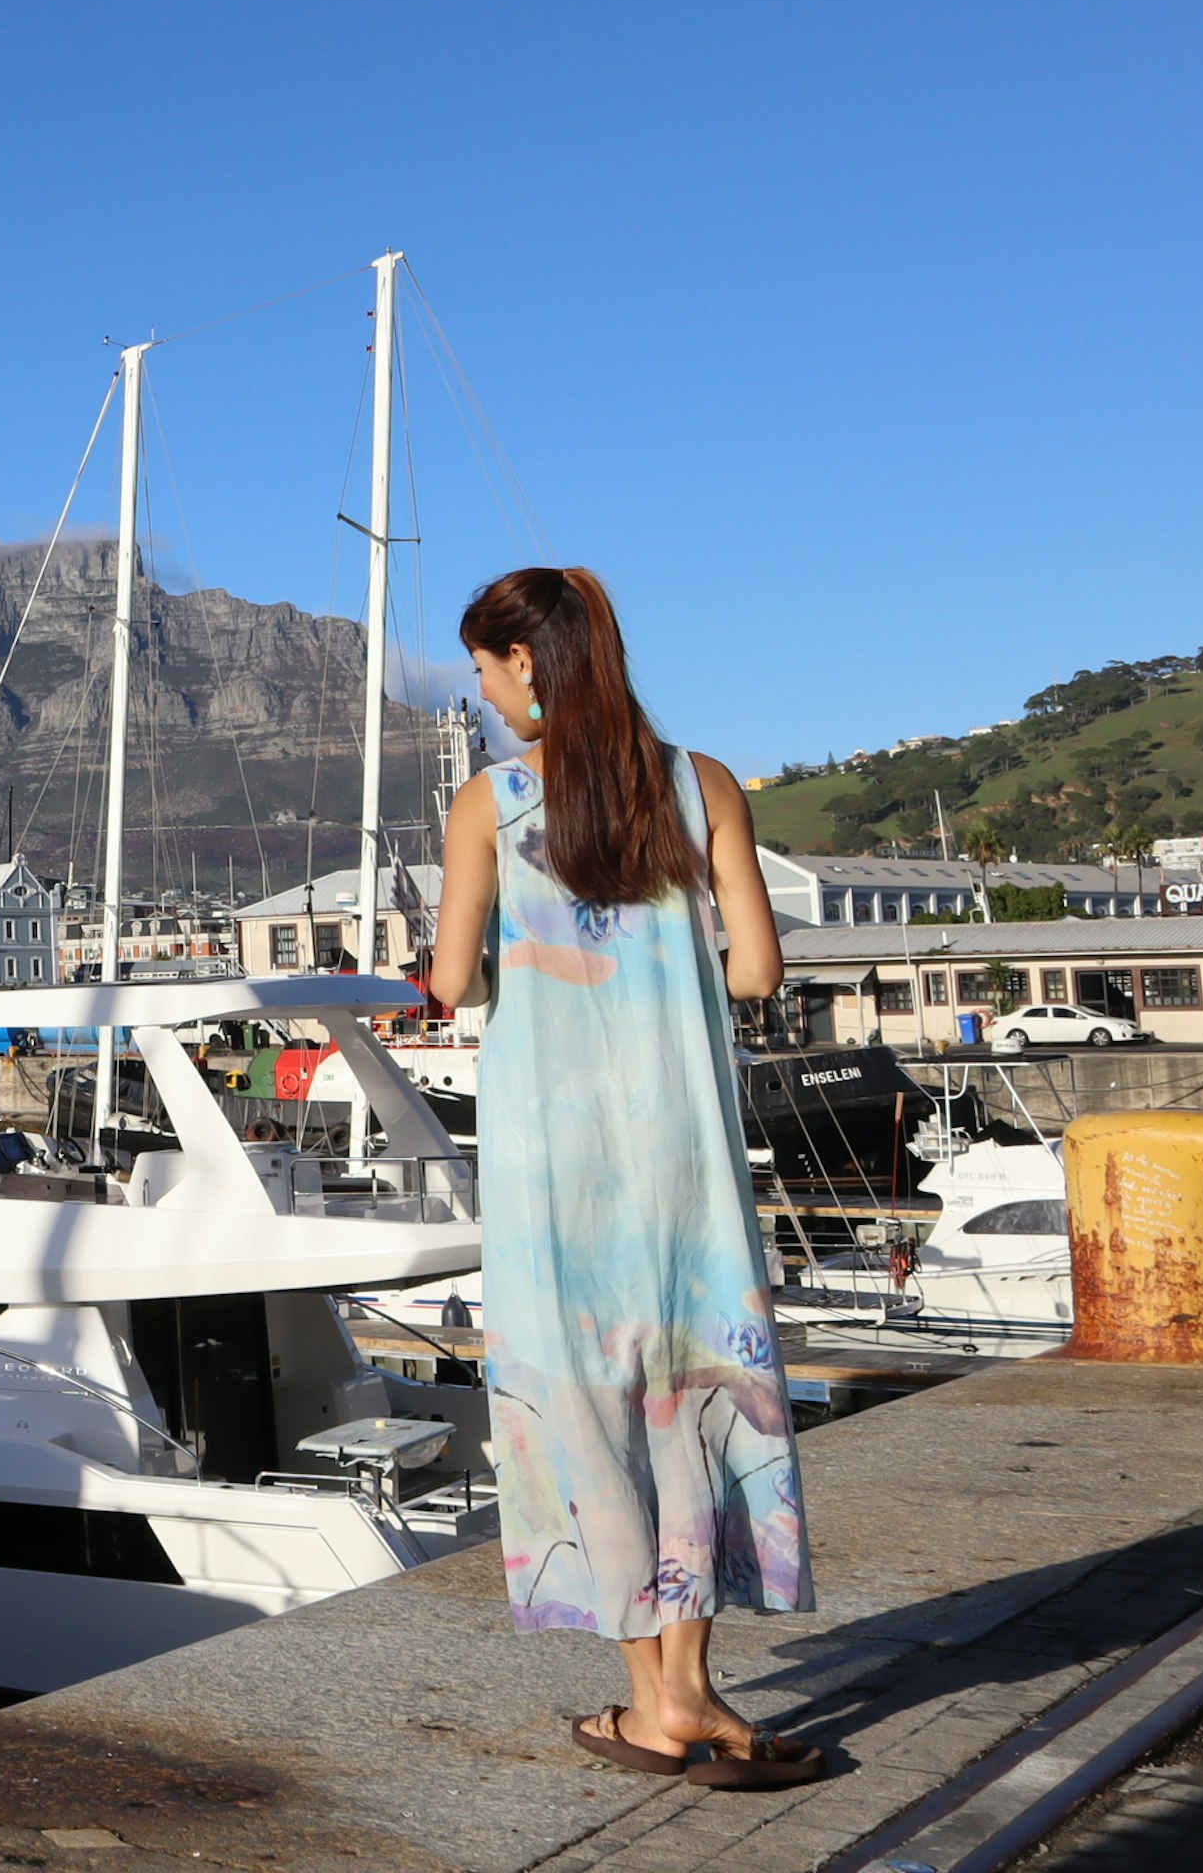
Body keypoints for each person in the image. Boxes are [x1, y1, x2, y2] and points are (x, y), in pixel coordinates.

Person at [426, 566, 824, 1791]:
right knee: (692, 1392)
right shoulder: (703, 785)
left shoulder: (491, 800)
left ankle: (660, 1700)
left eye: (486, 668)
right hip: (684, 1152)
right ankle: (685, 1694)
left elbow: (452, 983)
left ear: (528, 663)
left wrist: (496, 961)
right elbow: (754, 972)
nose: (484, 691)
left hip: (557, 1163)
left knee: (586, 1409)